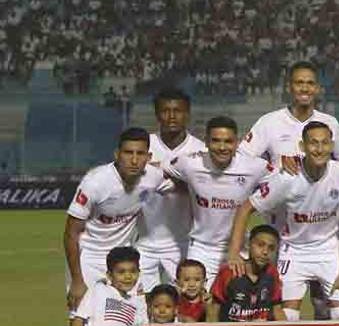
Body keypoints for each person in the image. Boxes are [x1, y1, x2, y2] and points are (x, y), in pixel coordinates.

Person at [226, 122, 339, 321]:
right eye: (313, 143)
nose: (319, 149)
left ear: (332, 146)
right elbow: (246, 208)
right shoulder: (286, 179)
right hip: (293, 251)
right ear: (302, 146)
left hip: (328, 250)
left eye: (325, 143)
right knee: (288, 316)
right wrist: (234, 253)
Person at [64, 128, 166, 312]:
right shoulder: (95, 183)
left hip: (124, 261)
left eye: (140, 153)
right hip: (89, 260)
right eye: (128, 153)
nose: (134, 160)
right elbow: (71, 233)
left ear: (148, 157)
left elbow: (179, 182)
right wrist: (77, 281)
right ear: (117, 154)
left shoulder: (154, 177)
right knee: (83, 321)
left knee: (133, 320)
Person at [163, 116, 275, 283]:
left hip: (239, 249)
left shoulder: (255, 167)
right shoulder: (189, 163)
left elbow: (281, 180)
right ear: (206, 142)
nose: (222, 147)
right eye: (215, 141)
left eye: (228, 142)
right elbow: (162, 169)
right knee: (197, 304)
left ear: (237, 143)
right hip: (201, 249)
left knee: (238, 305)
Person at [136, 89, 205, 291]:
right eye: (166, 111)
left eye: (178, 111)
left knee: (180, 309)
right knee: (141, 306)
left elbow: (205, 189)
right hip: (144, 242)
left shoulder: (200, 150)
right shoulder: (143, 146)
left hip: (183, 243)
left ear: (188, 114)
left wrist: (165, 176)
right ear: (157, 114)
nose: (172, 116)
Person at [239, 61, 339, 168]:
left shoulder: (330, 122)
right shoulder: (268, 122)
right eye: (299, 83)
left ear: (317, 89)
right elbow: (242, 158)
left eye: (310, 83)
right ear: (288, 87)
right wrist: (271, 168)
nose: (305, 89)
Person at [208, 225, 286, 323]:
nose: (265, 252)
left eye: (271, 248)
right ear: (249, 245)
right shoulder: (229, 272)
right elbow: (213, 311)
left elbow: (277, 309)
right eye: (260, 245)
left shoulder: (272, 273)